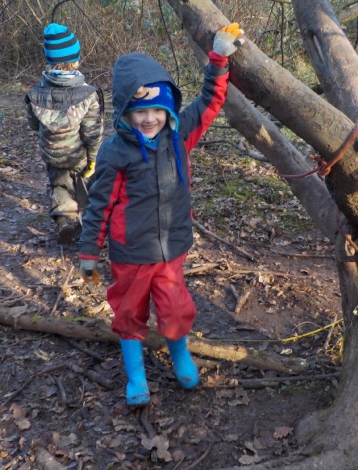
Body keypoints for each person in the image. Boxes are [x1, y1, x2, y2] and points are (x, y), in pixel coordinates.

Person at [79, 24, 244, 406]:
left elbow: (208, 102)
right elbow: (99, 205)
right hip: (130, 252)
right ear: (125, 112)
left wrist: (218, 59)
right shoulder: (115, 151)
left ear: (167, 108)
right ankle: (136, 374)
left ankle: (179, 351)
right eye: (140, 111)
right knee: (129, 311)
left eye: (157, 109)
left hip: (171, 249)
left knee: (175, 306)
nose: (150, 118)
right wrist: (89, 251)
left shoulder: (177, 136)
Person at [25, 23, 104, 245]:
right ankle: (88, 227)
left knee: (59, 185)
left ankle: (65, 220)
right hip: (78, 154)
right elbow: (92, 132)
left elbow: (33, 124)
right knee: (83, 187)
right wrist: (94, 158)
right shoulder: (87, 94)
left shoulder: (36, 94)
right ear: (76, 60)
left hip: (52, 154)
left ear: (50, 60)